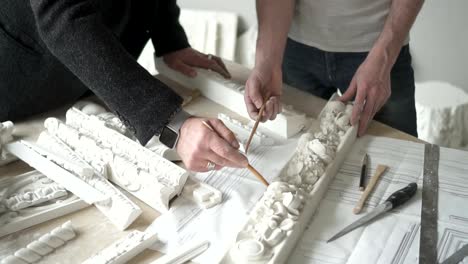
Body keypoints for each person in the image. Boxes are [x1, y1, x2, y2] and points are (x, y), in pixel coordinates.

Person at [1, 0, 248, 172]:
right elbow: (63, 17)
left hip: (94, 73)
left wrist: (170, 39)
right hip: (21, 79)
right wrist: (173, 124)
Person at [244, 0, 425, 137]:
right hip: (294, 49)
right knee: (299, 149)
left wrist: (384, 55)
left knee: (397, 152)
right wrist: (266, 62)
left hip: (379, 50)